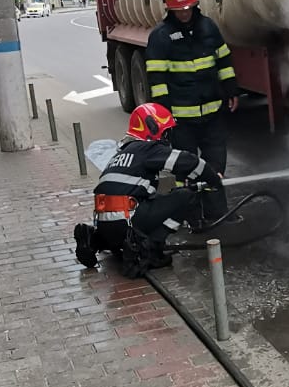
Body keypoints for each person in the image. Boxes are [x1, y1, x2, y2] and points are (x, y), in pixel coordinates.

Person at [73, 101, 222, 271]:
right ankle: (152, 248)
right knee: (185, 196)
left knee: (158, 200)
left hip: (105, 224)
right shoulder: (147, 148)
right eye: (165, 132)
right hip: (126, 222)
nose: (167, 137)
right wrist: (213, 178)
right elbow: (188, 161)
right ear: (152, 128)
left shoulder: (120, 154)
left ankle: (92, 240)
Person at [145, 0, 238, 215]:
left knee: (216, 165)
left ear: (194, 4)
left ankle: (217, 213)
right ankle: (190, 215)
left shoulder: (209, 27)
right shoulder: (160, 36)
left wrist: (231, 89)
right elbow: (157, 79)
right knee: (185, 170)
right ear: (170, 9)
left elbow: (224, 61)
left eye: (187, 8)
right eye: (179, 9)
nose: (184, 13)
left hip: (213, 112)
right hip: (181, 119)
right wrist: (164, 115)